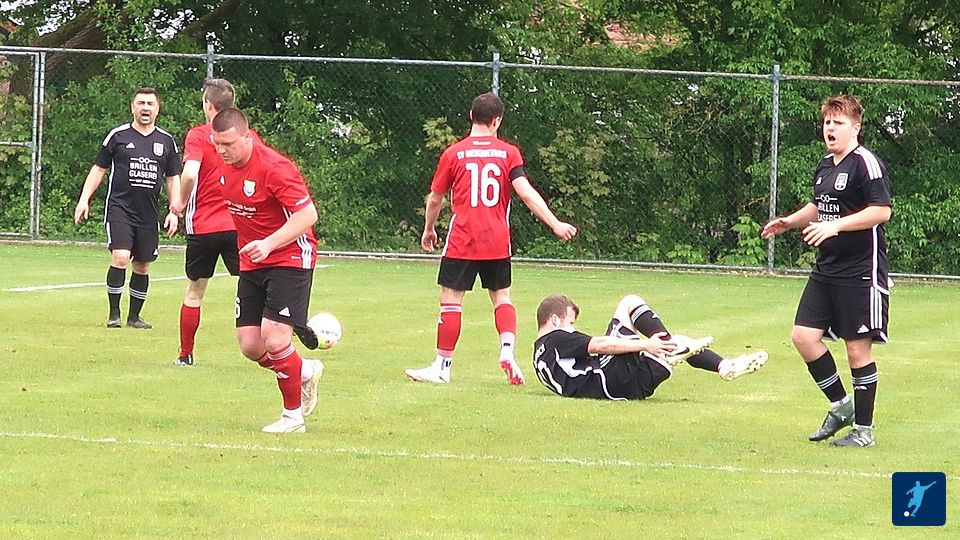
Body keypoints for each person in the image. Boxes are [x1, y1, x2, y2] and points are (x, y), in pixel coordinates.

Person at [404, 92, 578, 386]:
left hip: (463, 239)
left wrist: (428, 229)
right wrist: (555, 223)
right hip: (497, 240)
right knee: (502, 297)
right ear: (497, 121)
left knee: (451, 301)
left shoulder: (454, 153)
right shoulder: (508, 153)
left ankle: (442, 367)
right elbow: (526, 193)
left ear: (471, 116)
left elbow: (435, 198)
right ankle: (507, 351)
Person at [761, 95, 892, 447]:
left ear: (856, 127)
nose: (830, 128)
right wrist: (789, 222)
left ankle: (864, 431)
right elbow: (819, 206)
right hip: (827, 269)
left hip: (861, 271)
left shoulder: (866, 164)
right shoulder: (825, 165)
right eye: (827, 122)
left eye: (839, 122)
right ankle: (841, 405)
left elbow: (881, 211)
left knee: (857, 352)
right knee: (803, 336)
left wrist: (836, 226)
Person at [211, 107, 323, 434]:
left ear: (248, 137)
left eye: (229, 144)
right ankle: (304, 371)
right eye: (217, 144)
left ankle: (293, 418)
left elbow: (308, 215)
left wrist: (269, 243)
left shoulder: (275, 168)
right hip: (253, 261)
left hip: (290, 257)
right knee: (251, 345)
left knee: (275, 338)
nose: (222, 150)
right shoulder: (223, 163)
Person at [73, 87, 183, 329]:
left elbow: (173, 177)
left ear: (157, 109)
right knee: (121, 256)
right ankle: (114, 315)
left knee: (142, 265)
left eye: (150, 104)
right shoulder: (118, 136)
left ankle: (134, 317)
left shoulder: (166, 141)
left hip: (149, 213)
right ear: (133, 107)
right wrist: (84, 199)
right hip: (120, 209)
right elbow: (98, 169)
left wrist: (174, 211)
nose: (145, 108)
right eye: (141, 103)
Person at [532, 294, 767, 400]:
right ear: (555, 320)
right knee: (630, 302)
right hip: (609, 379)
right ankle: (668, 347)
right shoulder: (556, 337)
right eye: (570, 323)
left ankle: (724, 366)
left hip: (623, 390)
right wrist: (646, 343)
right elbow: (600, 344)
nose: (572, 328)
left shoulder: (538, 355)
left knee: (681, 341)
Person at [174, 78, 241, 367]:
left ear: (208, 105)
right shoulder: (245, 135)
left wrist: (180, 202)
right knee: (254, 284)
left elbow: (190, 174)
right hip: (239, 223)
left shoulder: (200, 135)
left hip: (203, 226)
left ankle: (185, 354)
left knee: (195, 290)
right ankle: (269, 346)